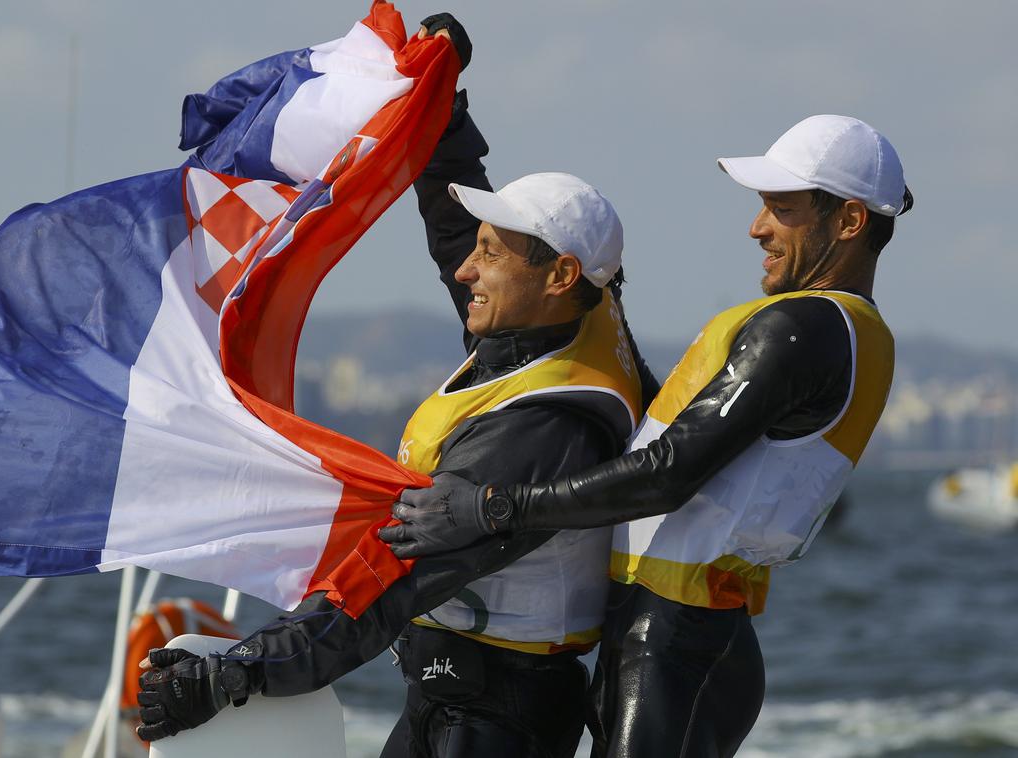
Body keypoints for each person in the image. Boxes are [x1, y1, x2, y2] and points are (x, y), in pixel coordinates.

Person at [135, 15, 658, 758]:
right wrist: (443, 108)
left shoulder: (548, 421)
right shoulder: (541, 334)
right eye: (473, 254)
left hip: (496, 721)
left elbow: (398, 577)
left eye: (491, 255)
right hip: (452, 699)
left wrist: (236, 676)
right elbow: (454, 227)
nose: (467, 272)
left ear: (561, 276)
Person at [383, 114, 913, 757]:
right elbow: (505, 261)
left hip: (681, 645)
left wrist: (494, 508)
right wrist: (446, 129)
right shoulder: (812, 327)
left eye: (781, 209)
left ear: (851, 221)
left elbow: (667, 472)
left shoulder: (811, 328)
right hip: (661, 637)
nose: (757, 227)